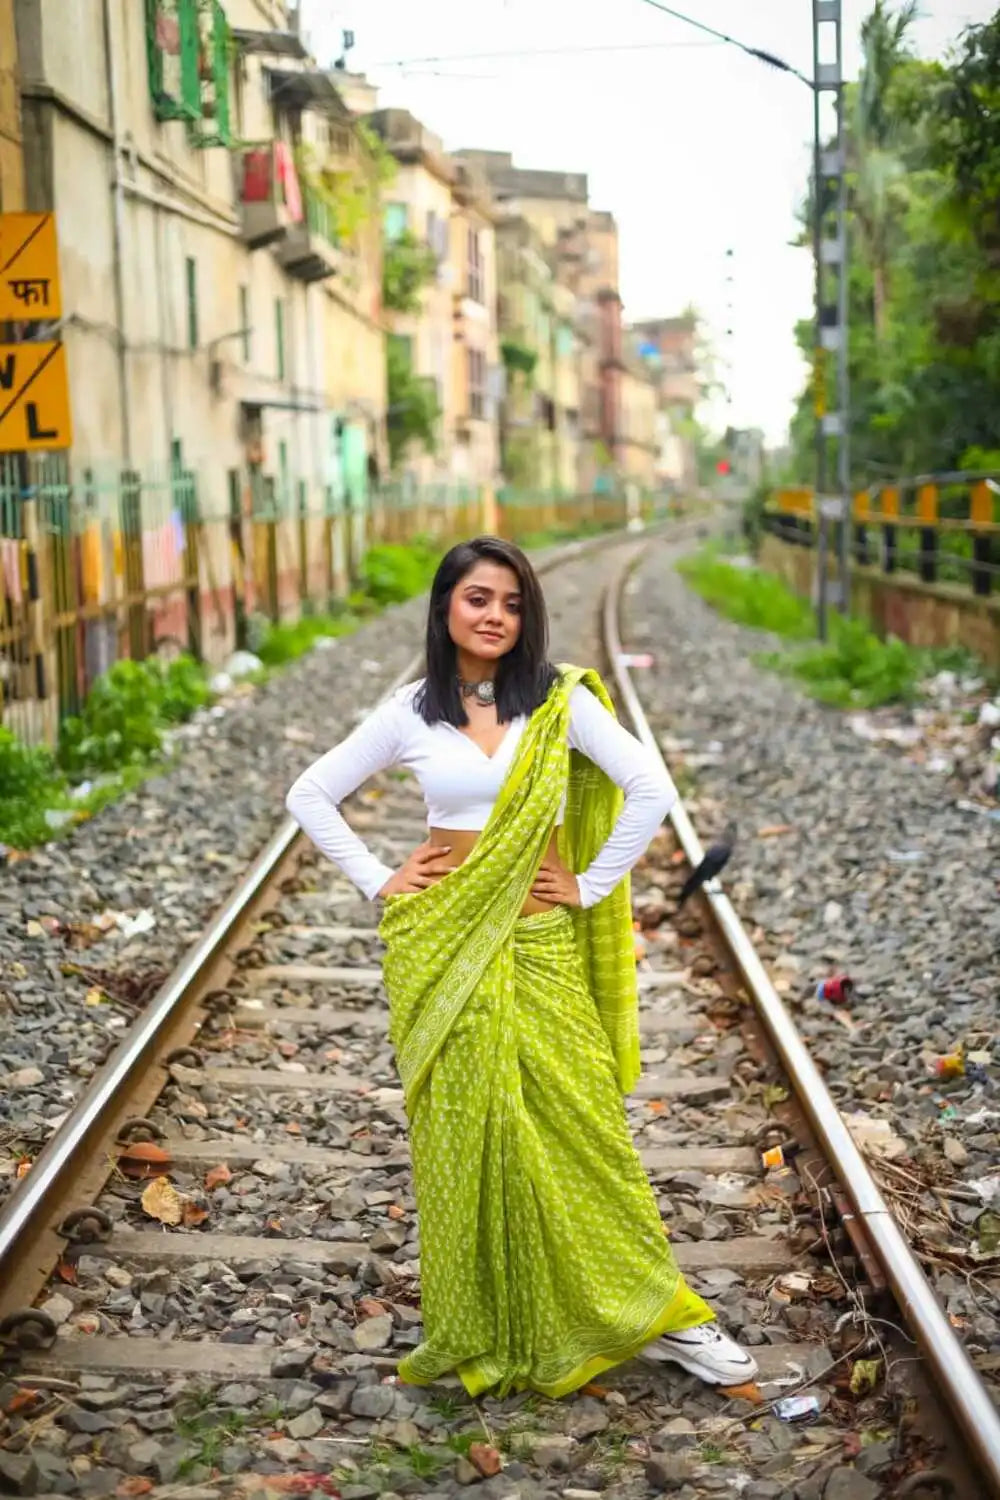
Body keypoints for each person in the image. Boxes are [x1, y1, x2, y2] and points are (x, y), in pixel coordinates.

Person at [286, 536, 757, 1398]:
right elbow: (309, 794)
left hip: (538, 939)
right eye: (477, 599)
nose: (495, 615)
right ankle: (493, 1321)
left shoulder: (557, 703)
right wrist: (381, 880)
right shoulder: (411, 710)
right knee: (467, 1141)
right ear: (445, 610)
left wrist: (587, 884)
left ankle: (666, 1315)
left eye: (509, 602)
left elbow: (649, 786)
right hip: (442, 941)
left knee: (586, 1129)